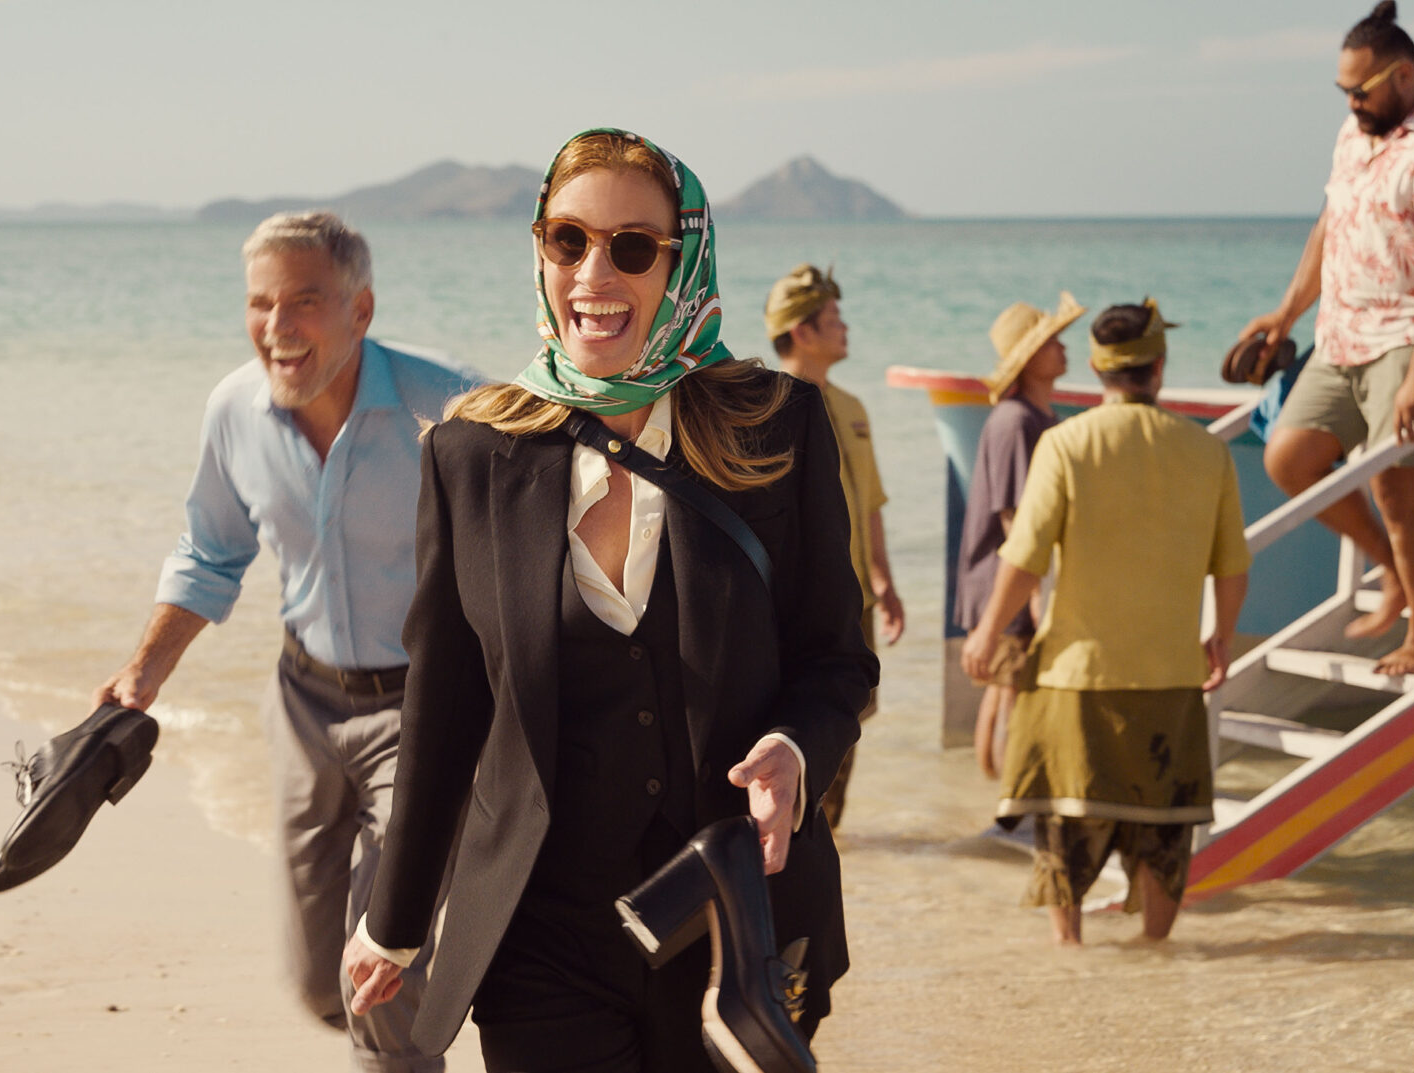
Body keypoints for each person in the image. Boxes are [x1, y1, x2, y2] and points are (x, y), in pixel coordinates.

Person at [342, 128, 875, 1071]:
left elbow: (836, 660)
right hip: (539, 937)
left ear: (685, 261)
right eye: (568, 240)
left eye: (634, 246)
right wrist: (394, 918)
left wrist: (796, 748)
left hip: (732, 926)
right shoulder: (470, 454)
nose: (596, 272)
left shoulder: (779, 426)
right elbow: (448, 703)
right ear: (540, 250)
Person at [94, 211, 481, 1073]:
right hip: (302, 703)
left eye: (304, 300)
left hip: (424, 714)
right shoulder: (234, 411)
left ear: (361, 309)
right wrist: (144, 669)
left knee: (379, 977)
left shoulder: (450, 411)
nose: (277, 326)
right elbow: (210, 550)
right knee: (318, 979)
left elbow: (544, 545)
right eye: (261, 303)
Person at [963, 301, 1250, 946]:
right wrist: (1221, 637)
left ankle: (1073, 969)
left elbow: (1026, 557)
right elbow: (1232, 564)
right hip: (1169, 680)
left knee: (1065, 840)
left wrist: (985, 634)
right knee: (1163, 838)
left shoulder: (1065, 443)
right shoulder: (1208, 452)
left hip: (1075, 682)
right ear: (1160, 365)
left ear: (1096, 367)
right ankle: (1155, 961)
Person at [1238, 0, 1414, 677]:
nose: (1351, 101)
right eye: (1344, 90)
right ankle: (1392, 568)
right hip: (1345, 332)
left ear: (1404, 74)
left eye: (1361, 88)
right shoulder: (1356, 135)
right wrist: (1286, 312)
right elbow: (1331, 223)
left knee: (1396, 486)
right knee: (1289, 459)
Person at [768, 263, 904, 829]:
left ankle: (829, 833)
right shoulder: (764, 404)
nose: (845, 327)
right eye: (833, 319)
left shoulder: (851, 407)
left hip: (855, 598)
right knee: (792, 720)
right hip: (792, 600)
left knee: (850, 714)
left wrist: (884, 582)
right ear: (802, 332)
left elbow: (869, 502)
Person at [958, 292, 1084, 781]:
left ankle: (1004, 800)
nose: (1063, 347)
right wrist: (1033, 591)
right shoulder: (1017, 421)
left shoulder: (1038, 418)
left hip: (1011, 577)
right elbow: (1016, 517)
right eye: (1052, 341)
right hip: (1006, 579)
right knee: (1009, 689)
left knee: (1004, 688)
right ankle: (1010, 799)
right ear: (1029, 358)